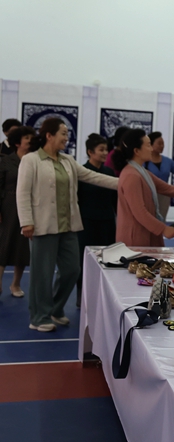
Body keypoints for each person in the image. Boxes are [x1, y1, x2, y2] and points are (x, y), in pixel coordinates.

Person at [16, 118, 118, 333]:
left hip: (69, 225)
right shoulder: (31, 160)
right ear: (49, 135)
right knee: (42, 275)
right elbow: (22, 192)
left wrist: (125, 183)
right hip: (42, 225)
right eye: (63, 133)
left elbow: (93, 177)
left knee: (72, 270)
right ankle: (39, 317)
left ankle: (55, 308)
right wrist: (26, 222)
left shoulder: (68, 160)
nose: (66, 137)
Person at [76, 133, 118, 303]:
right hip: (86, 222)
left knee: (108, 259)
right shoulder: (82, 172)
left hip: (107, 222)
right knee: (84, 260)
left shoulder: (109, 172)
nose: (105, 153)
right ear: (90, 152)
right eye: (101, 150)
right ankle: (82, 294)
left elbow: (115, 199)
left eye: (106, 149)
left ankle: (104, 295)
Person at [0, 126, 35, 297]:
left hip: (28, 207)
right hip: (8, 206)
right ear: (17, 143)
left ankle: (16, 284)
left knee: (22, 247)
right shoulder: (5, 161)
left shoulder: (34, 161)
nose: (30, 140)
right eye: (26, 138)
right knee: (4, 244)